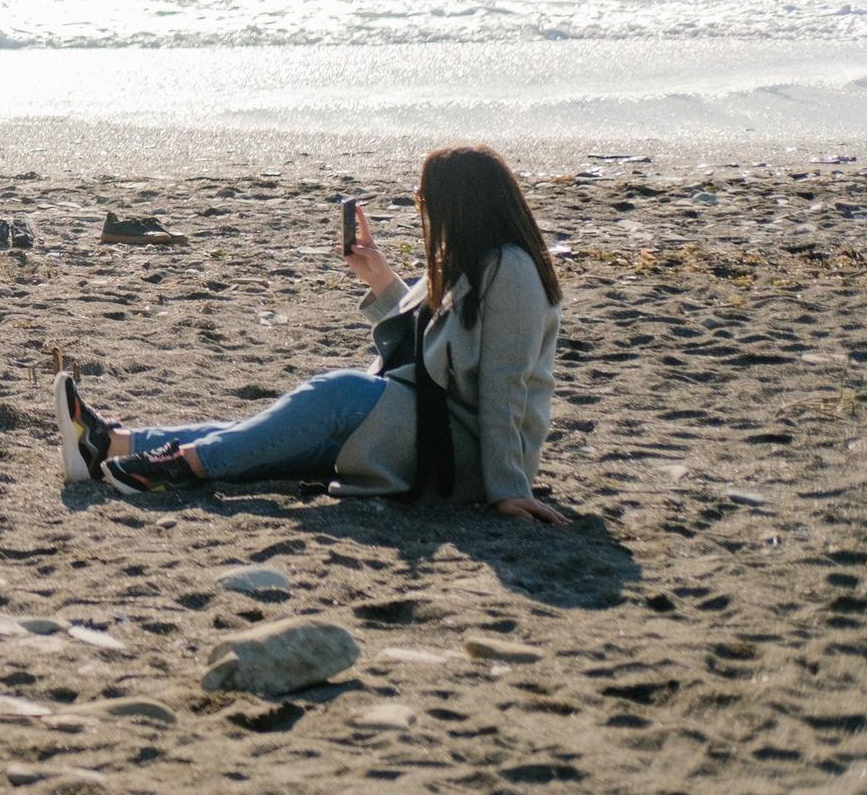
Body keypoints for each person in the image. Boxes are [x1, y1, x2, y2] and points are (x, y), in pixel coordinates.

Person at [53, 145, 570, 526]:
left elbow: (506, 385)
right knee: (273, 428)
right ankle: (109, 445)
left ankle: (180, 467)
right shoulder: (480, 263)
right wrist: (382, 279)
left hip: (466, 452)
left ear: (461, 203)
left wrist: (507, 487)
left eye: (424, 195)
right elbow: (431, 338)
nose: (419, 204)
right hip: (433, 430)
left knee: (337, 393)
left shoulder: (513, 271)